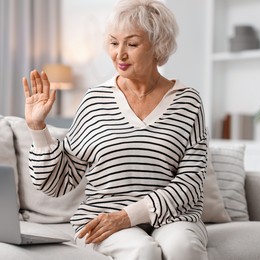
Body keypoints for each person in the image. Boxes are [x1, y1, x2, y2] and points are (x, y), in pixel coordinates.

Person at [22, 0, 208, 259]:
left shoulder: (188, 101)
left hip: (172, 217)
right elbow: (57, 183)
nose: (119, 54)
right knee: (143, 250)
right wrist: (37, 128)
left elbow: (191, 181)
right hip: (103, 218)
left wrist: (129, 216)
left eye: (131, 44)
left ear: (158, 46)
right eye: (113, 42)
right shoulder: (95, 101)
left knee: (182, 247)